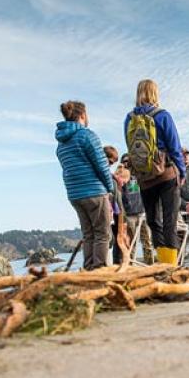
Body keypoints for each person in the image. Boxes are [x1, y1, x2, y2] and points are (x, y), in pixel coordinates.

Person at [124, 79, 186, 266]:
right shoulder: (162, 115)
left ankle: (162, 265)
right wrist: (181, 171)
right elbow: (175, 146)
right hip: (166, 174)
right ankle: (171, 266)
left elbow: (130, 146)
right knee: (170, 222)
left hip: (144, 178)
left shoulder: (129, 118)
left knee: (153, 222)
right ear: (155, 93)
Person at [55, 100, 114, 270]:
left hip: (75, 195)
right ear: (82, 115)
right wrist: (109, 188)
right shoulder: (87, 135)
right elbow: (101, 165)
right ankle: (100, 272)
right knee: (103, 235)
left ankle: (88, 270)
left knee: (89, 235)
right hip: (94, 191)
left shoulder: (61, 144)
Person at [118, 153, 155, 264]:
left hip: (142, 213)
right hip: (129, 215)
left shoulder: (140, 174)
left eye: (128, 160)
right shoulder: (120, 178)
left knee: (147, 241)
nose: (126, 163)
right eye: (124, 161)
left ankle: (150, 264)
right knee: (131, 243)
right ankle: (130, 265)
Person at [103, 145, 126, 265]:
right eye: (111, 162)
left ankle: (116, 263)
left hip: (116, 210)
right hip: (107, 209)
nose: (111, 165)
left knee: (116, 239)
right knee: (108, 239)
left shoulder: (111, 176)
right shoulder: (104, 174)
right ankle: (106, 266)